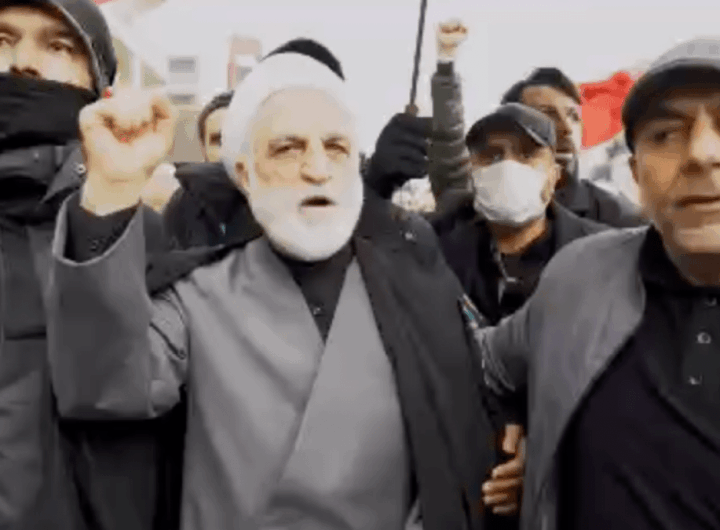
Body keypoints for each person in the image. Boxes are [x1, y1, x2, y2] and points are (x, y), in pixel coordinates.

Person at [47, 38, 503, 530]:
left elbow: (480, 391)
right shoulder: (196, 294)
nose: (317, 169)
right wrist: (111, 189)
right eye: (289, 148)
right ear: (246, 174)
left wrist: (521, 434)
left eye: (336, 148)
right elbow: (105, 384)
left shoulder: (415, 282)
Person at [474, 38, 720, 530]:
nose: (700, 153)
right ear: (636, 173)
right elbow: (475, 366)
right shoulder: (579, 275)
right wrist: (527, 433)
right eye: (666, 134)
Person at [0, 1, 176, 529]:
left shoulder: (138, 232)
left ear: (98, 89)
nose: (22, 63)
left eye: (57, 46)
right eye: (2, 40)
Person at [501, 67, 645, 227]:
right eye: (547, 115)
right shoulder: (487, 212)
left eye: (573, 116)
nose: (567, 128)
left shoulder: (623, 220)